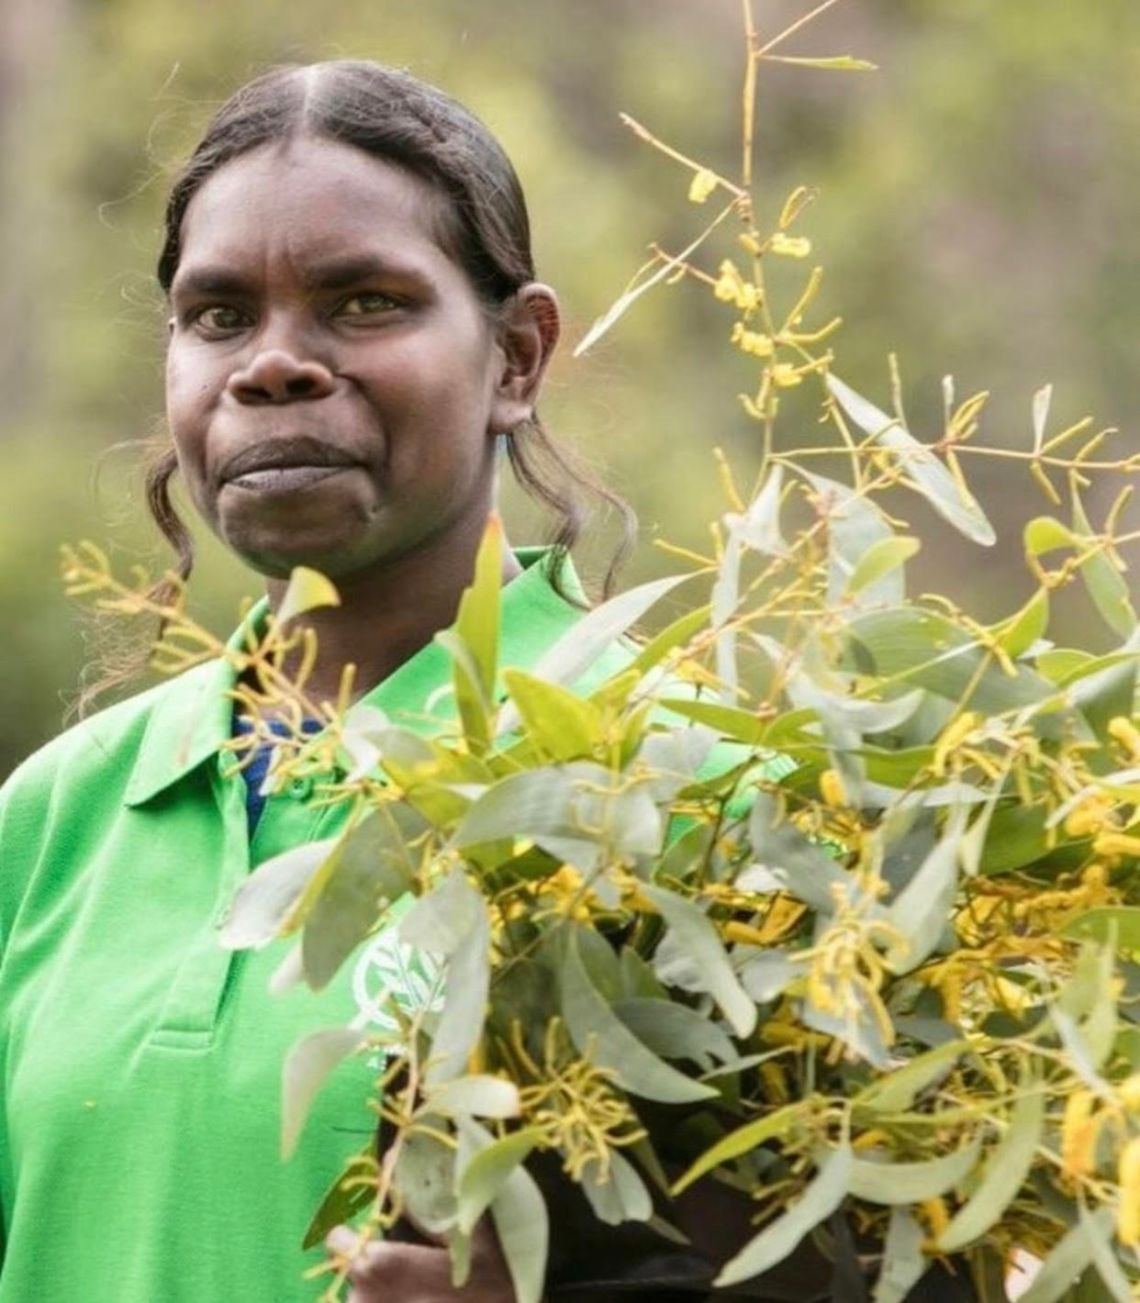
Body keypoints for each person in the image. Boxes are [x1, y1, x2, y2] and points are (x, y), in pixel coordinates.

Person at [0, 60, 633, 1303]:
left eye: (363, 303)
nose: (273, 364)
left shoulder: (685, 782)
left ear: (516, 356)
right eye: (219, 316)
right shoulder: (50, 823)